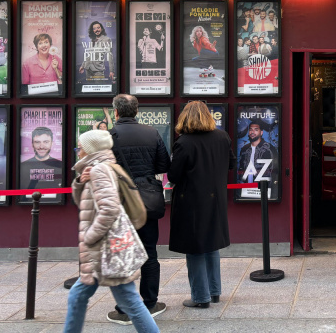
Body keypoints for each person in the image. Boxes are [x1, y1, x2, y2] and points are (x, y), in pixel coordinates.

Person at [64, 129, 159, 333]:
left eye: (79, 148)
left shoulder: (100, 170)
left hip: (105, 250)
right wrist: (80, 182)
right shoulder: (99, 168)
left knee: (129, 302)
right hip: (104, 251)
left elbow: (109, 209)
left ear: (90, 150)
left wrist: (90, 237)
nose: (78, 152)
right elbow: (86, 202)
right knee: (79, 296)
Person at [105, 95, 170, 323]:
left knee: (122, 254)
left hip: (119, 201)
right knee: (149, 253)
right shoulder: (151, 132)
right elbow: (163, 165)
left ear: (116, 112)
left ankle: (125, 308)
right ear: (137, 110)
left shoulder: (109, 136)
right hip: (146, 201)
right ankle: (150, 303)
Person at [168, 101, 236, 308]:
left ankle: (200, 297)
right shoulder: (222, 137)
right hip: (216, 200)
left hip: (191, 201)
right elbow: (232, 163)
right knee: (211, 245)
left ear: (185, 118)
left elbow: (173, 175)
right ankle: (214, 292)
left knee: (195, 248)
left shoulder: (184, 142)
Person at [237, 118, 279, 198]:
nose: (252, 132)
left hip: (264, 191)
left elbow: (275, 172)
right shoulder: (244, 149)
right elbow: (241, 170)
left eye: (256, 130)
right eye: (251, 130)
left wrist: (273, 192)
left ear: (261, 132)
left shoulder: (270, 148)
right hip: (247, 192)